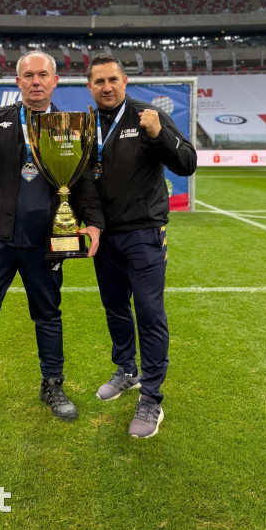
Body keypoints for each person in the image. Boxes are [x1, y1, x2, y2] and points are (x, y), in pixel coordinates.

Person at [0, 51, 104, 422]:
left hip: (46, 242)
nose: (36, 81)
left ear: (55, 80)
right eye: (28, 75)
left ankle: (53, 384)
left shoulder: (70, 126)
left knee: (48, 315)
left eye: (43, 75)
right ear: (19, 81)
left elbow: (84, 180)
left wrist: (92, 221)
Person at [85, 54, 197, 438]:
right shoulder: (85, 124)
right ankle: (126, 370)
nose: (107, 87)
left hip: (145, 234)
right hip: (105, 236)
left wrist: (158, 134)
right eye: (99, 81)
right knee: (115, 307)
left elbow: (187, 162)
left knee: (149, 311)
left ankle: (151, 396)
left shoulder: (148, 115)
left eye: (113, 79)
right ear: (90, 87)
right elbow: (83, 180)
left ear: (125, 80)